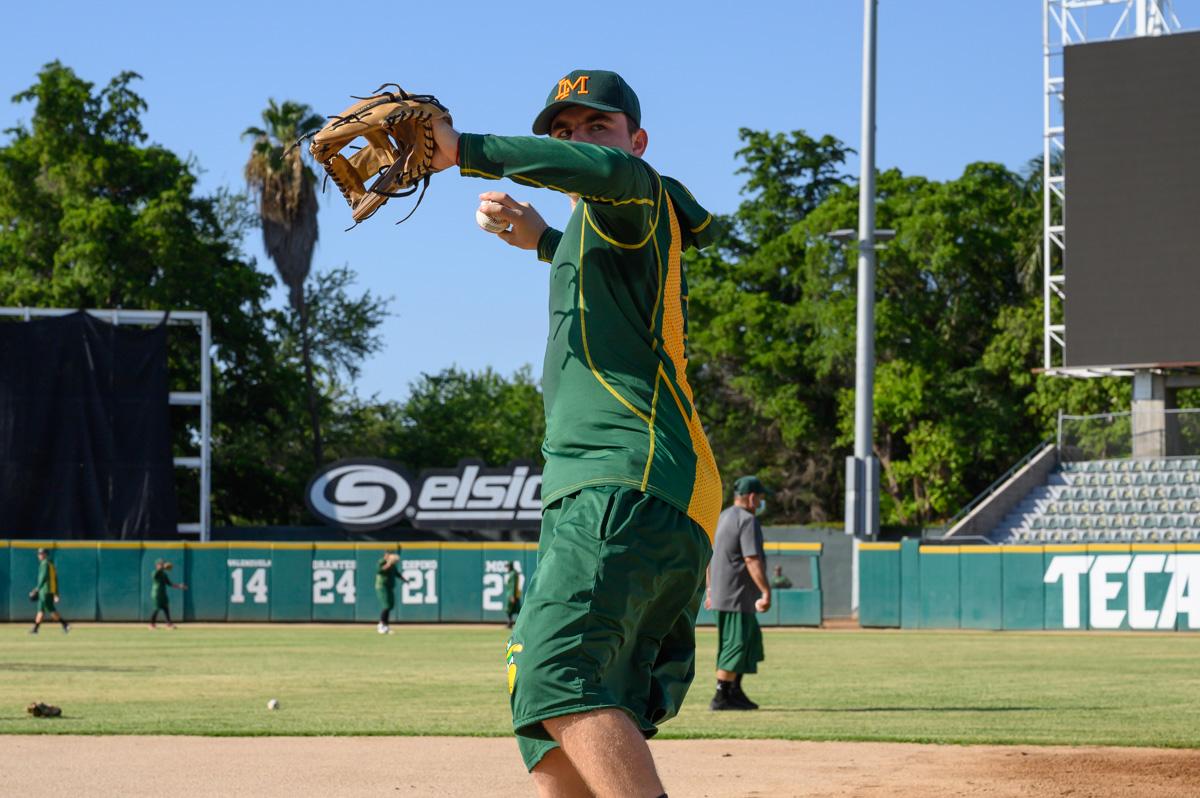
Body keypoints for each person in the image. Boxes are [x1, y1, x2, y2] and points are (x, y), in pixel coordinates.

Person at [430, 69, 722, 798]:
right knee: (552, 718)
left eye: (599, 125)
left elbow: (609, 177)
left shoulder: (637, 193)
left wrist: (460, 148)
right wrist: (542, 240)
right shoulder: (596, 233)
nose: (580, 139)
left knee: (556, 674)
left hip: (626, 473)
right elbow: (605, 279)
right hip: (617, 484)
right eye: (564, 130)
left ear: (636, 140)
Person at [706, 475, 772, 711]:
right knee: (736, 644)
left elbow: (708, 556)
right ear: (752, 497)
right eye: (761, 498)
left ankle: (735, 691)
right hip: (737, 596)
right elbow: (751, 559)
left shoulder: (722, 516)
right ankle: (721, 695)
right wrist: (766, 591)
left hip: (723, 594)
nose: (761, 503)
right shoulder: (747, 520)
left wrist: (710, 589)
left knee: (746, 642)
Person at [28, 548, 70, 634]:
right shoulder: (51, 564)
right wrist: (56, 593)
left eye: (42, 554)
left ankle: (65, 625)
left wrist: (36, 589)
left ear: (46, 555)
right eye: (39, 554)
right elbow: (55, 580)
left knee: (51, 610)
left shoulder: (44, 564)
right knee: (40, 610)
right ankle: (35, 629)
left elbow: (42, 578)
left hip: (45, 591)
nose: (39, 555)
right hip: (47, 591)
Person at [149, 559, 187, 629]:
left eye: (163, 563)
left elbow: (169, 584)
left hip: (163, 594)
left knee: (166, 608)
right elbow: (156, 574)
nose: (162, 565)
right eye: (160, 564)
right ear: (157, 565)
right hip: (156, 594)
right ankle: (151, 625)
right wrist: (163, 567)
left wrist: (179, 586)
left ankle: (168, 624)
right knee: (156, 609)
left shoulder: (164, 574)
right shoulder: (154, 572)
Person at [376, 551, 402, 634]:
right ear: (385, 555)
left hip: (389, 587)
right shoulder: (382, 562)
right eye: (388, 555)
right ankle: (381, 625)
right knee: (386, 605)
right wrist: (389, 564)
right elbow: (379, 571)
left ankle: (386, 626)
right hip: (382, 586)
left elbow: (396, 573)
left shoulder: (393, 565)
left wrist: (405, 579)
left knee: (390, 605)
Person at [504, 561, 522, 629]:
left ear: (511, 566)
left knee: (511, 610)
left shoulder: (513, 573)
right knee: (510, 610)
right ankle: (510, 624)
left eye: (508, 566)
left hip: (512, 595)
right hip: (513, 595)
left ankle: (512, 624)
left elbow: (513, 585)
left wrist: (512, 596)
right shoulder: (513, 573)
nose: (507, 568)